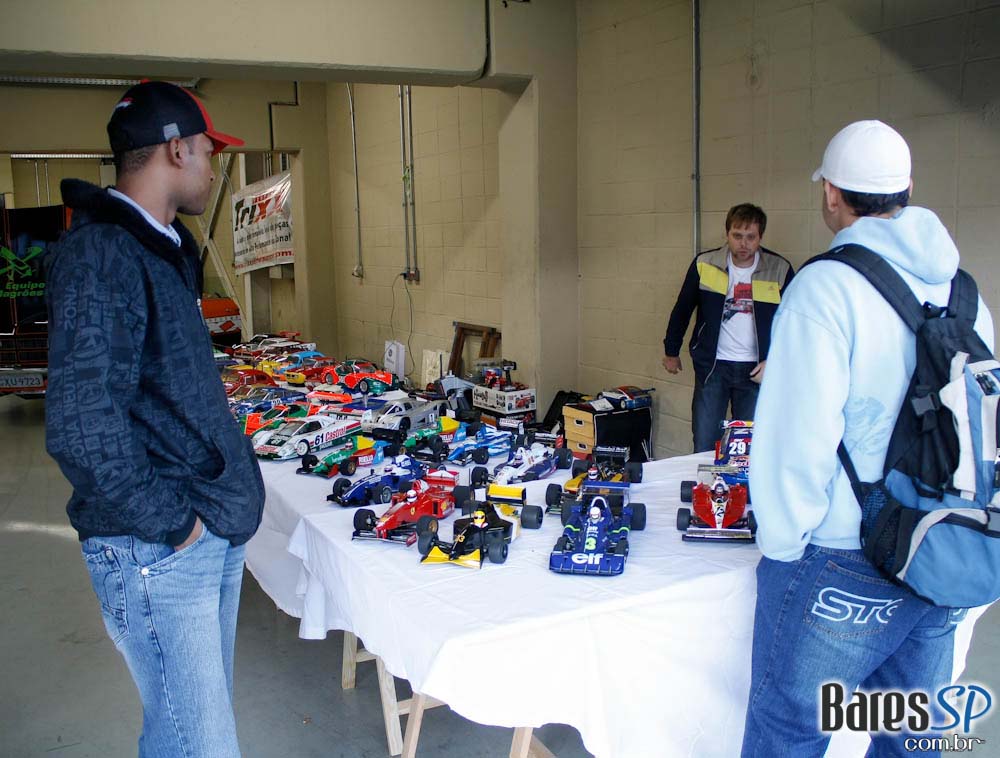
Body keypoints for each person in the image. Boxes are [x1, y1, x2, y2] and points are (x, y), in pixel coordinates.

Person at [741, 121, 995, 757]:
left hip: (842, 554)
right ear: (908, 188)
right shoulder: (966, 293)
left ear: (832, 194)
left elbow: (795, 437)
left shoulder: (825, 287)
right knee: (913, 736)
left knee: (788, 733)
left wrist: (783, 544)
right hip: (942, 543)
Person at [45, 80, 265, 758]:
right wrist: (176, 527)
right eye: (205, 151)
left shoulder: (161, 248)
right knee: (203, 749)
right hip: (158, 548)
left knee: (178, 737)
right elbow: (81, 424)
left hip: (198, 533)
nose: (210, 166)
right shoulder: (103, 255)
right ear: (174, 150)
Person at [662, 204, 794, 452]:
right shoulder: (705, 264)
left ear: (760, 237)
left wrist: (775, 361)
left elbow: (794, 323)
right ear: (727, 234)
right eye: (737, 236)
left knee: (748, 448)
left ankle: (740, 492)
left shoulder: (780, 269)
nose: (743, 244)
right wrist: (671, 350)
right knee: (704, 443)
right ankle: (706, 491)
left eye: (750, 237)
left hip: (756, 371)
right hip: (713, 368)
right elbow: (682, 308)